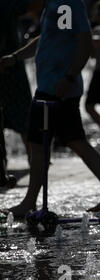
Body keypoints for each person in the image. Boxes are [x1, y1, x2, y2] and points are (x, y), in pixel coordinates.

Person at [0, 0, 100, 217]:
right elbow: (47, 39)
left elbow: (84, 44)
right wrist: (16, 57)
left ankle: (29, 202)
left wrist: (69, 76)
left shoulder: (68, 5)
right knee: (70, 141)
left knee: (40, 143)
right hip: (53, 86)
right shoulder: (55, 4)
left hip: (58, 88)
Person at [0, 0, 33, 163]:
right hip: (12, 63)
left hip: (11, 62)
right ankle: (33, 157)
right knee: (23, 112)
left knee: (23, 113)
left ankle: (33, 157)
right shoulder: (8, 5)